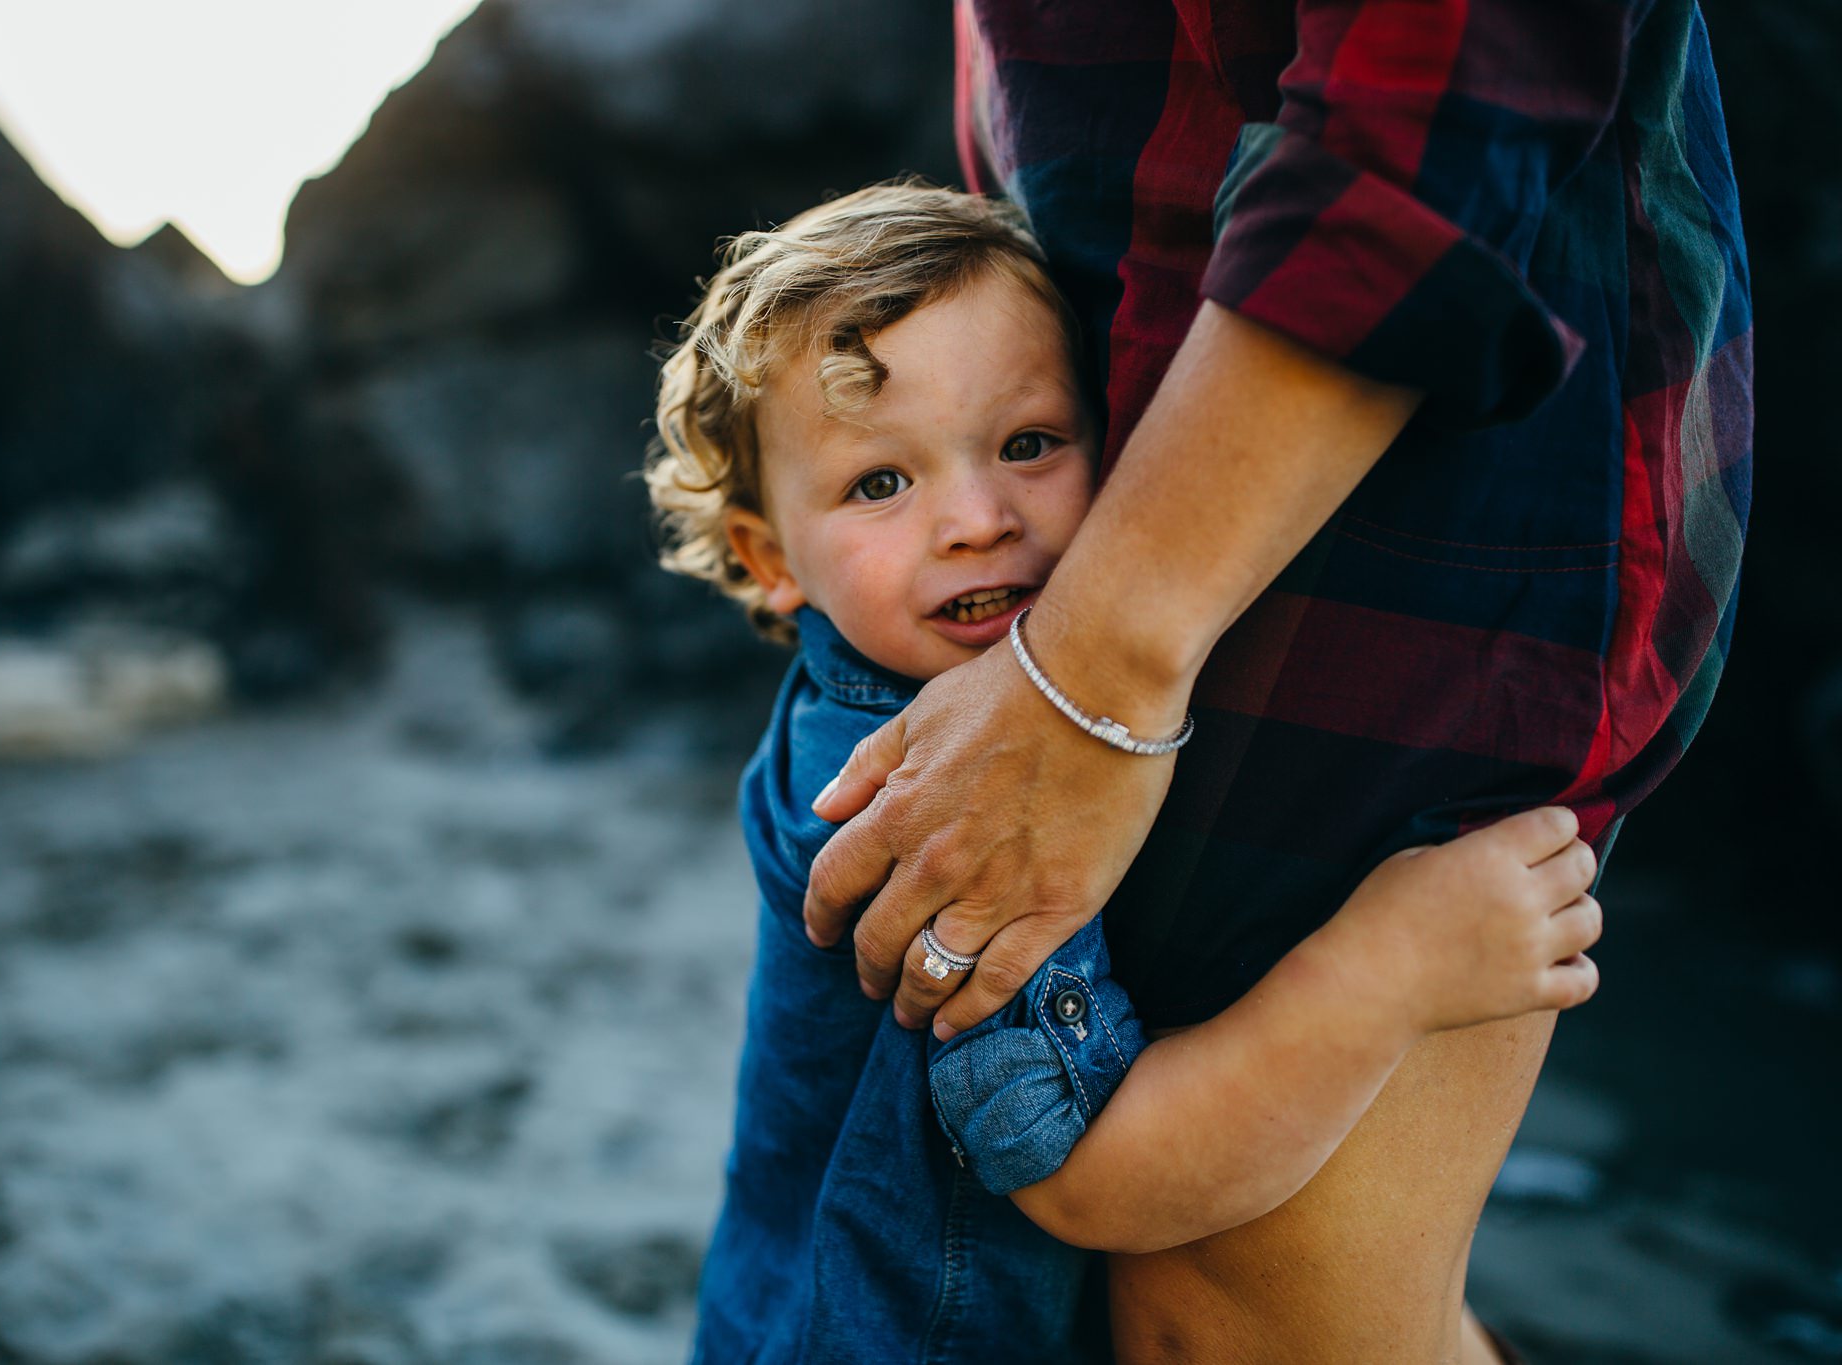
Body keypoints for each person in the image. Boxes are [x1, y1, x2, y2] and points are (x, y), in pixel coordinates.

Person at [802, 3, 1751, 1361]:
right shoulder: (858, 736)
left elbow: (1443, 95)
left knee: (1245, 1313)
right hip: (1153, 456)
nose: (958, 516)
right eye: (883, 480)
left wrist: (1099, 666)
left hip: (1384, 470)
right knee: (1307, 1308)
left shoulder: (867, 707)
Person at [648, 182, 1604, 1363]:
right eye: (880, 483)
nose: (976, 517)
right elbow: (1096, 1186)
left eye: (1028, 443)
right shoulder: (906, 804)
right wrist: (1388, 975)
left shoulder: (882, 681)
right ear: (762, 554)